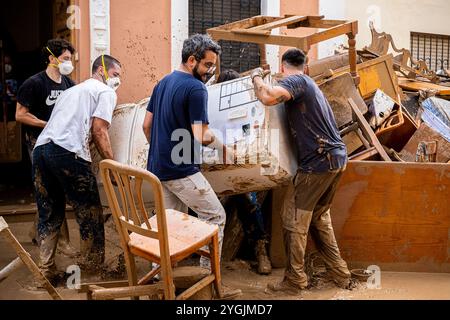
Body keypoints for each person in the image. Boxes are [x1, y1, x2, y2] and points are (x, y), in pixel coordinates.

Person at [142, 34, 241, 298]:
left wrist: (162, 151)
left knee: (168, 225)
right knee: (215, 217)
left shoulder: (162, 83)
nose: (210, 72)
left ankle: (159, 283)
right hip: (181, 170)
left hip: (159, 169)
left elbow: (146, 126)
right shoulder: (196, 88)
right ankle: (210, 283)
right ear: (191, 60)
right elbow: (201, 134)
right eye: (208, 65)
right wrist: (225, 150)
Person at [250, 48, 354, 294]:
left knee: (292, 220)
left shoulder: (296, 81)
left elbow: (268, 98)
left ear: (283, 66)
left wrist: (256, 78)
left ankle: (295, 280)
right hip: (335, 160)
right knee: (318, 219)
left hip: (318, 163)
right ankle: (341, 275)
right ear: (306, 66)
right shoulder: (309, 83)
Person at [32, 54, 122, 284]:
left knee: (49, 212)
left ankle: (45, 270)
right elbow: (99, 130)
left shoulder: (71, 91)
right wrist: (112, 166)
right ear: (101, 71)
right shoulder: (105, 92)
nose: (118, 80)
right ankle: (92, 271)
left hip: (41, 150)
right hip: (67, 152)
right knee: (89, 211)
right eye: (115, 75)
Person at [15, 39, 77, 256]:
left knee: (50, 189)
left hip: (59, 143)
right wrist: (47, 124)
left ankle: (36, 231)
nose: (69, 63)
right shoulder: (34, 84)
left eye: (71, 59)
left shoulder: (69, 84)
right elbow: (20, 114)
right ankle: (62, 243)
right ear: (52, 58)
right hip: (37, 143)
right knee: (53, 188)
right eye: (65, 59)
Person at [216, 69, 272, 275]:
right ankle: (205, 253)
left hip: (238, 163)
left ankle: (261, 251)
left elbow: (250, 133)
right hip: (214, 164)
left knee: (250, 200)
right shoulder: (211, 107)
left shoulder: (246, 107)